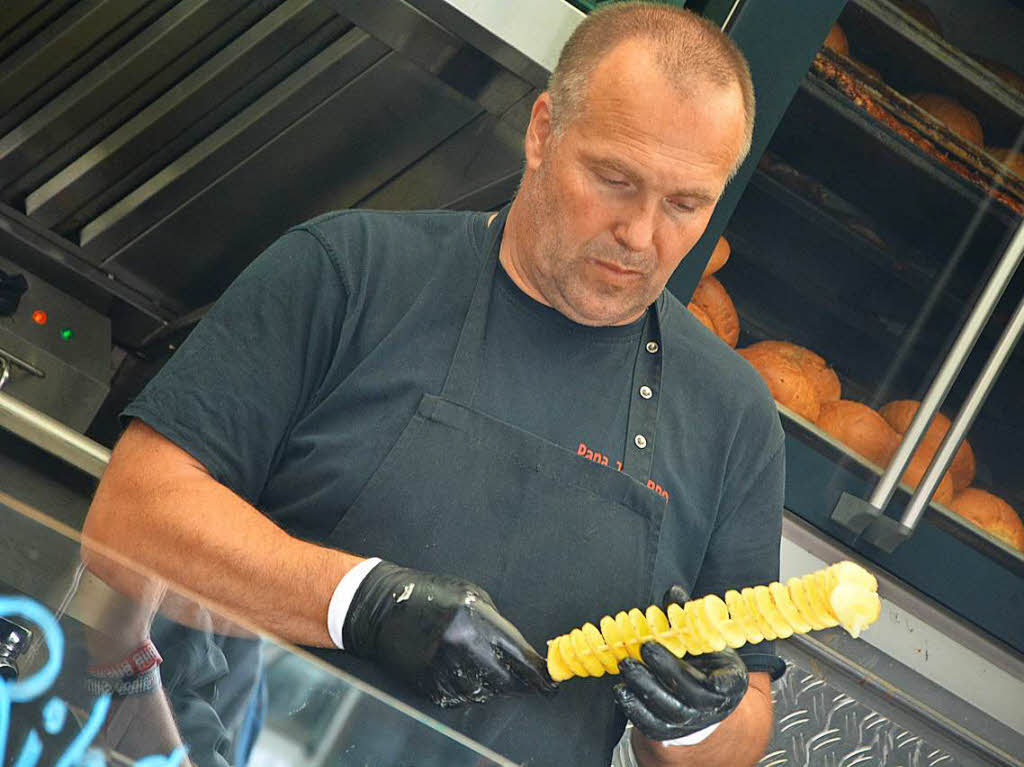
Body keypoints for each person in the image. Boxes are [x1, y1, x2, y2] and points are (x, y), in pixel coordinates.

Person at [83, 3, 786, 766]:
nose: (643, 235)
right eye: (614, 180)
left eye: (686, 205)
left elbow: (743, 724)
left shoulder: (733, 418)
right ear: (544, 130)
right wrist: (362, 601)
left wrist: (694, 721)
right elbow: (129, 520)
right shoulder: (347, 271)